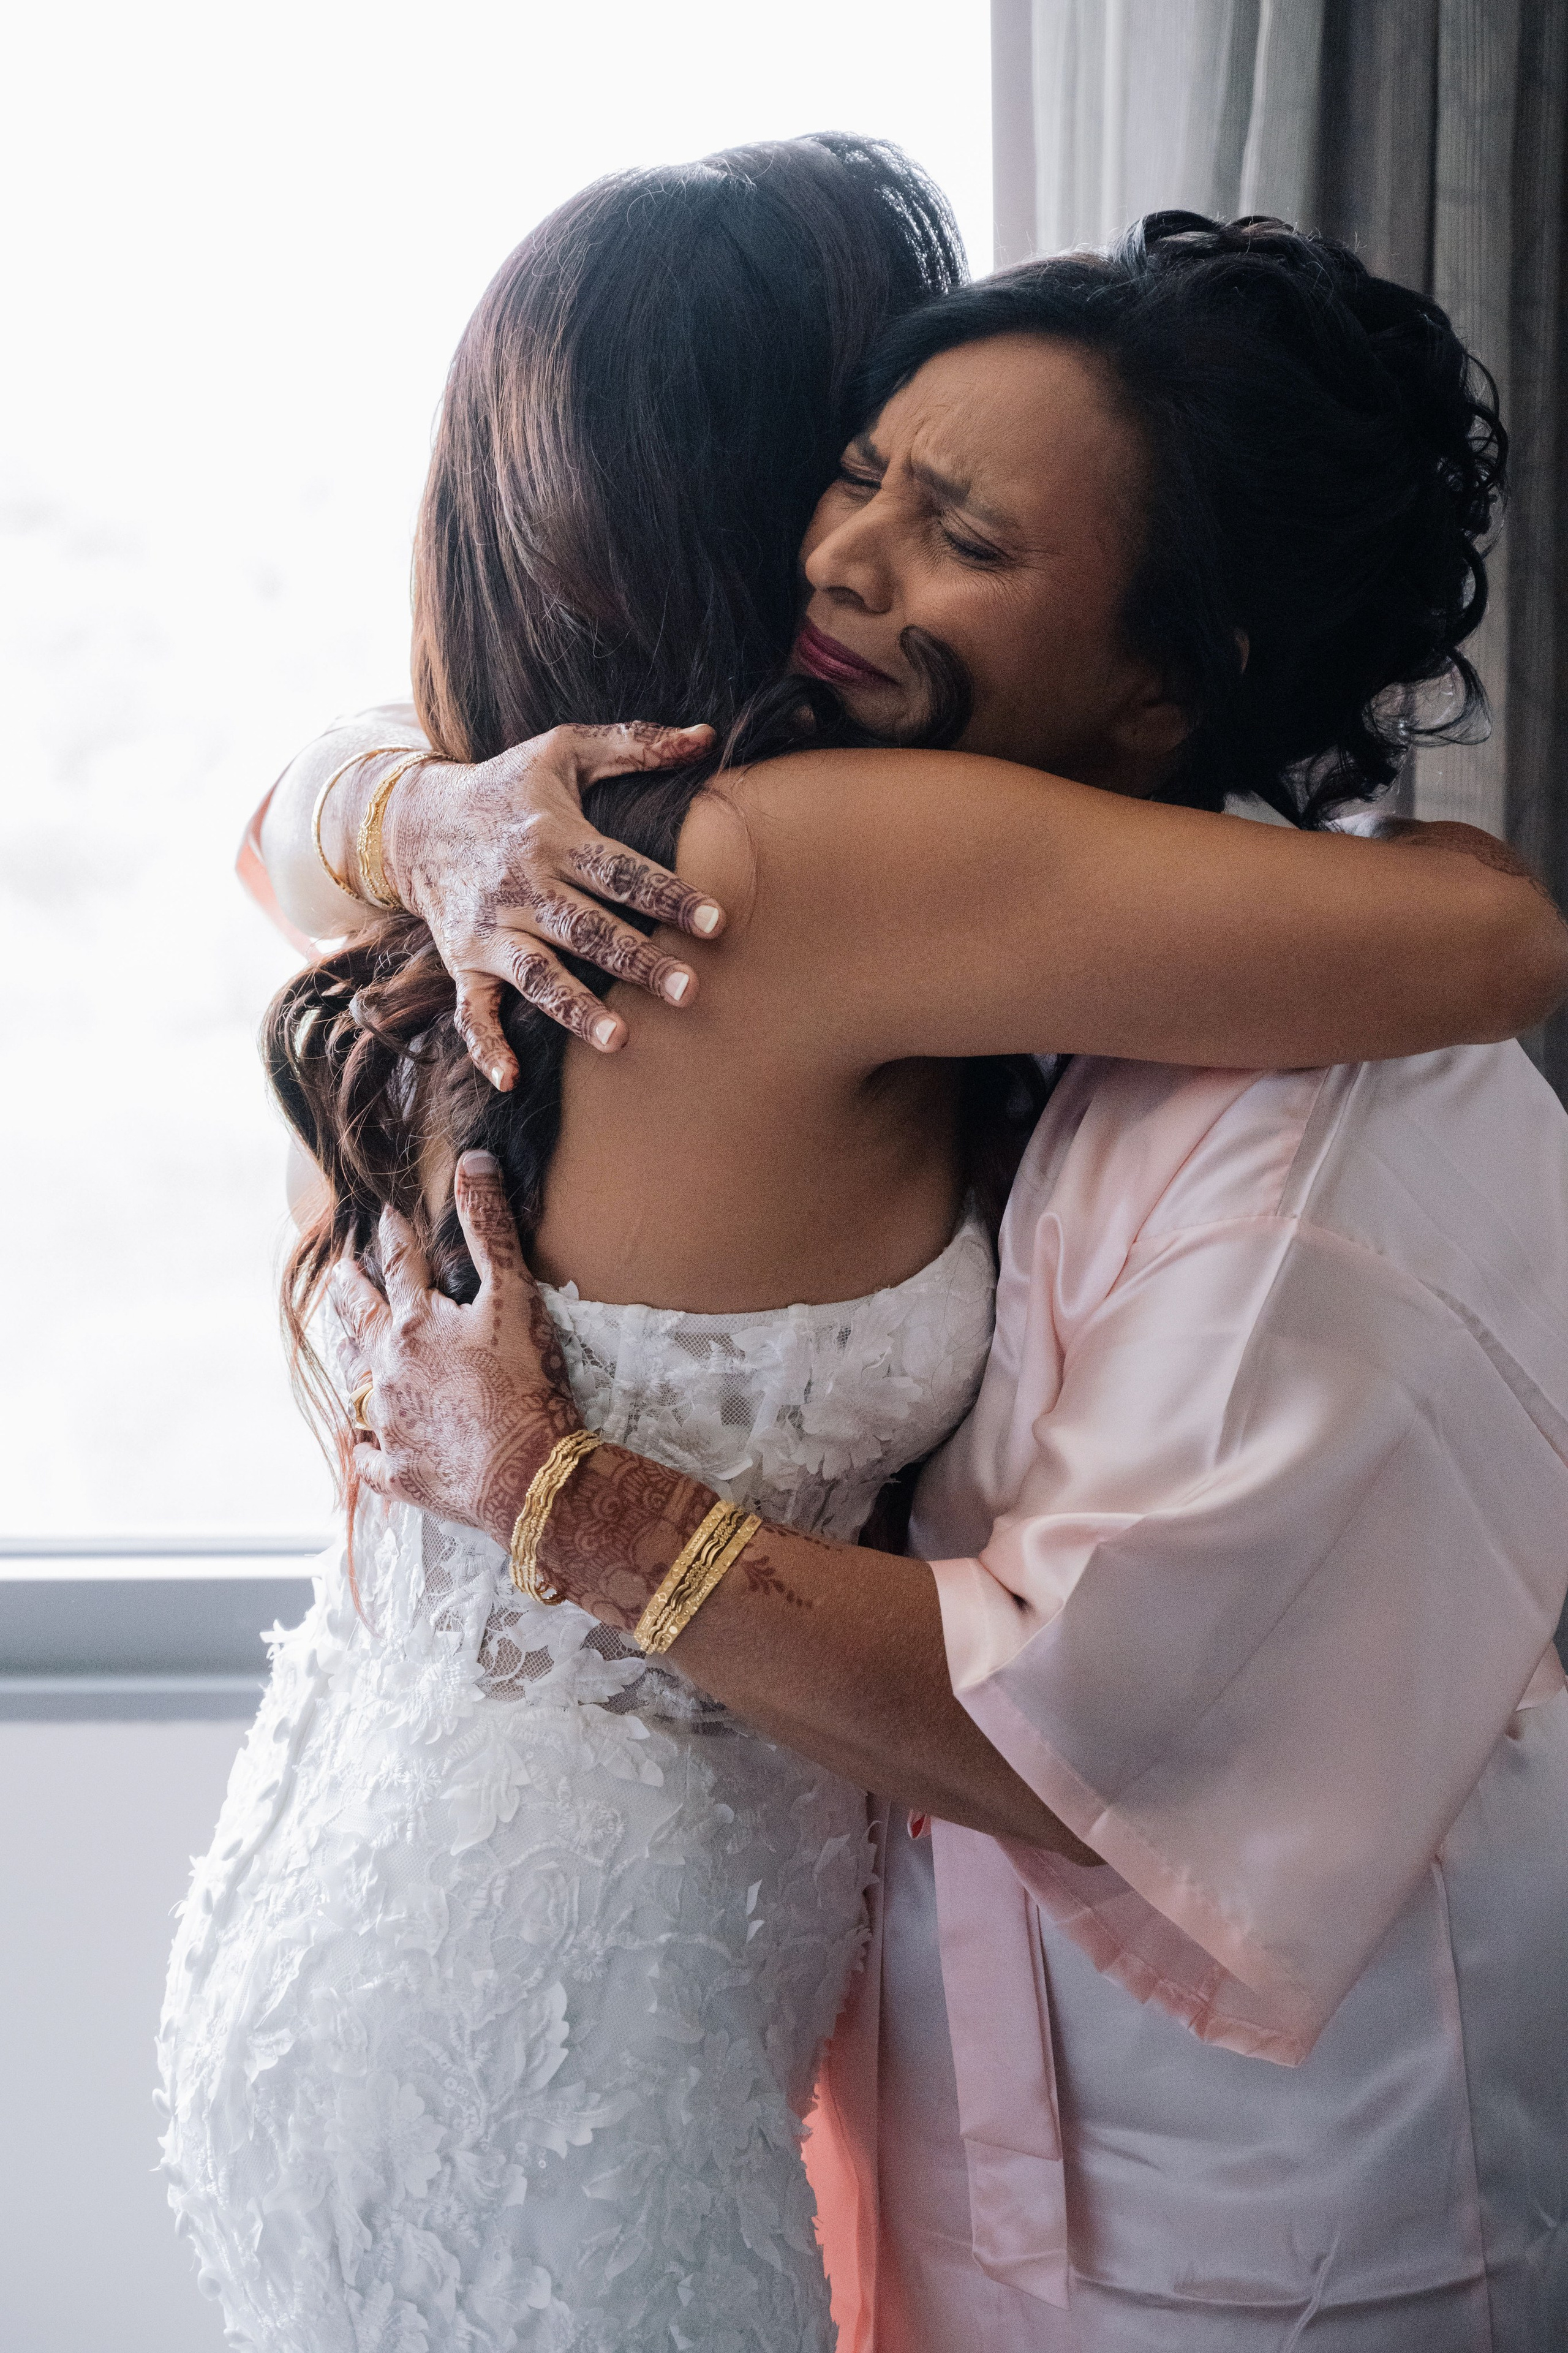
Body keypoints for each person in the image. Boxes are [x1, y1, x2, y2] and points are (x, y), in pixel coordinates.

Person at [163, 150, 1568, 2353]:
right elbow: (1498, 929)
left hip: (368, 1891)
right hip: (573, 1973)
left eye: (961, 525)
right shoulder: (797, 862)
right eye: (851, 462)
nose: (851, 554)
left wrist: (400, 801)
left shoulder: (531, 857)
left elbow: (267, 824)